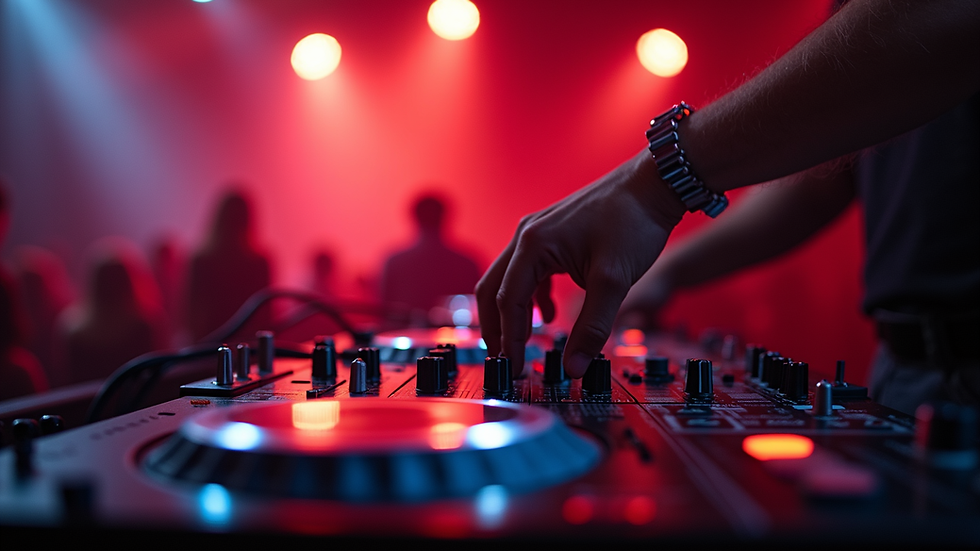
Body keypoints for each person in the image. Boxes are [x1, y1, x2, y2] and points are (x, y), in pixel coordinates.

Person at [475, 0, 979, 416]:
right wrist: (667, 270)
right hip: (906, 366)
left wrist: (652, 184)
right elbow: (826, 177)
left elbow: (944, 16)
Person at [184, 187, 273, 343]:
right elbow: (266, 315)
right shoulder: (258, 263)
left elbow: (190, 314)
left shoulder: (201, 261)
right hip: (247, 344)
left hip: (210, 344)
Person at [380, 191, 482, 327]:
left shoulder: (394, 262)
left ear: (414, 216)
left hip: (405, 342)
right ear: (445, 216)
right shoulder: (467, 263)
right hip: (456, 344)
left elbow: (385, 311)